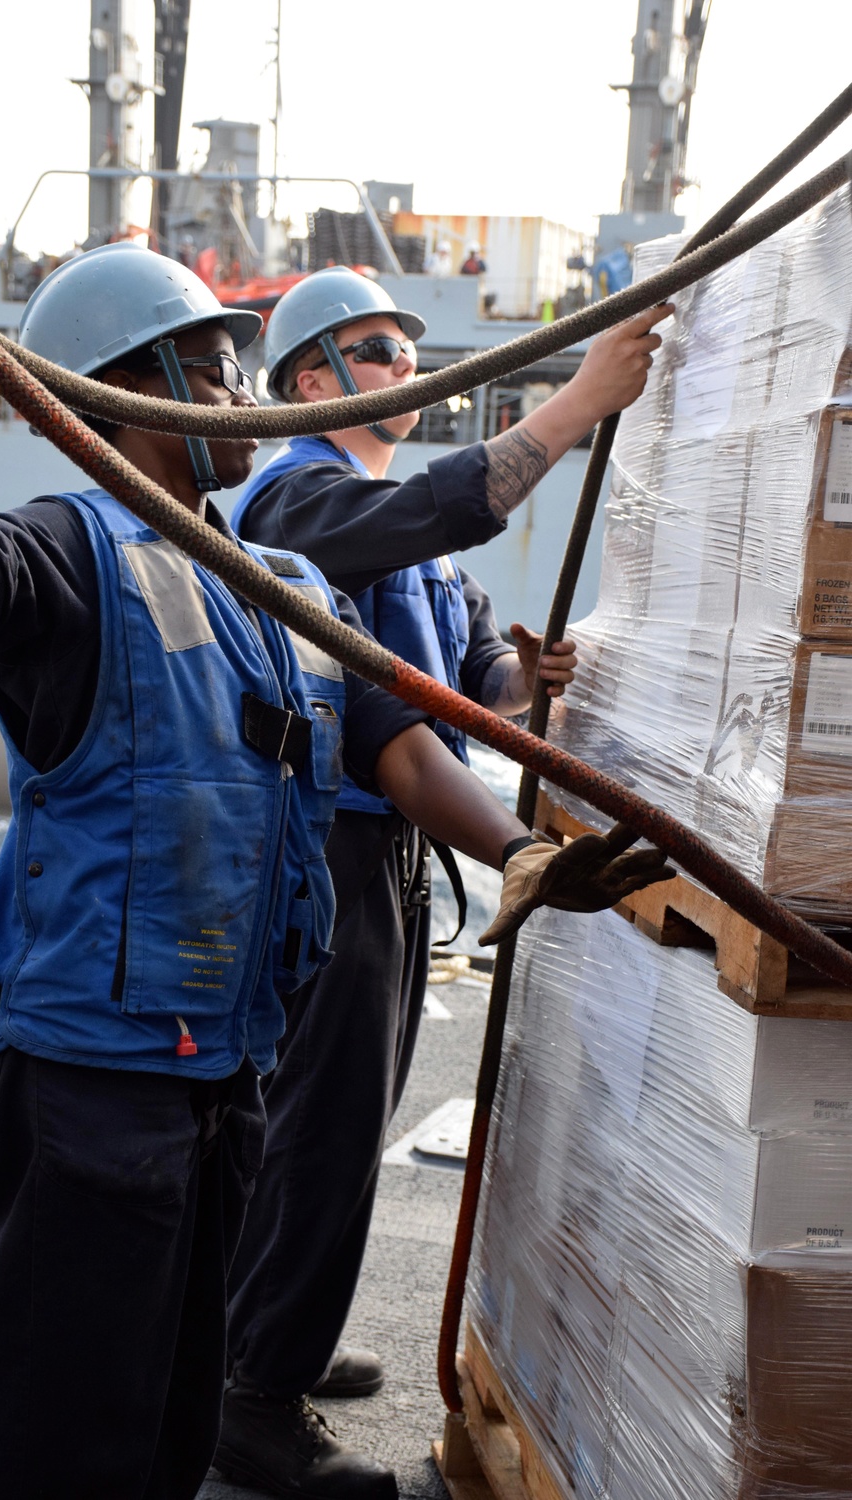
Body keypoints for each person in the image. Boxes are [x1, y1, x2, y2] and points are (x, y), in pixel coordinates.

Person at [0, 173, 671, 1500]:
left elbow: (390, 741)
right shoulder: (63, 549)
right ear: (147, 382)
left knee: (169, 1414)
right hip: (84, 1077)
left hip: (219, 1072)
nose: (245, 399)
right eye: (222, 373)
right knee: (57, 1427)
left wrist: (511, 849)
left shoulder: (276, 581)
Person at [223, 266, 672, 1497]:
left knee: (343, 1120)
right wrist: (575, 403)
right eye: (375, 354)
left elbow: (470, 667)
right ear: (308, 380)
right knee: (316, 1128)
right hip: (327, 847)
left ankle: (272, 1343)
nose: (407, 374)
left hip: (395, 852)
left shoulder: (389, 526)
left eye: (409, 354)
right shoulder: (294, 498)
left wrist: (533, 676)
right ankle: (250, 1403)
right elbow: (440, 514)